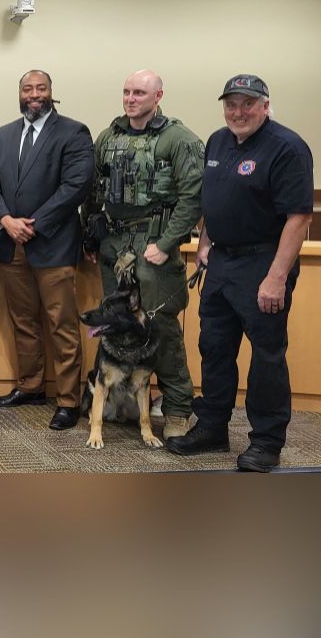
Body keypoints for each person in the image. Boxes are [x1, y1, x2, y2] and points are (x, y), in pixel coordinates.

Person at [167, 75, 313, 472]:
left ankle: (266, 441)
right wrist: (204, 244)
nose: (238, 112)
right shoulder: (217, 141)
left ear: (266, 105)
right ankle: (212, 427)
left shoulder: (287, 147)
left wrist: (276, 277)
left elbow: (298, 218)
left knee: (266, 356)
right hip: (221, 263)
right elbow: (214, 200)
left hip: (263, 263)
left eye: (248, 104)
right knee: (214, 348)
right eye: (231, 104)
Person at [84, 70, 202, 439]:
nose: (131, 98)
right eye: (126, 92)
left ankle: (178, 409)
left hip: (154, 246)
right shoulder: (108, 137)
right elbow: (92, 191)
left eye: (139, 92)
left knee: (161, 327)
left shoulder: (177, 139)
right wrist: (91, 236)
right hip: (114, 245)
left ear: (158, 95)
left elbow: (192, 198)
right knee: (114, 325)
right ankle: (114, 400)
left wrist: (166, 244)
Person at [0, 70, 94, 431]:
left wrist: (32, 223)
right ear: (19, 93)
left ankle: (68, 400)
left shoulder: (73, 133)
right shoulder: (4, 134)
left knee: (61, 324)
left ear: (51, 93)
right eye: (27, 89)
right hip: (11, 243)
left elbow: (76, 186)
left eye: (40, 88)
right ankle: (30, 386)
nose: (34, 94)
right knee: (24, 321)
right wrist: (5, 221)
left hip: (53, 244)